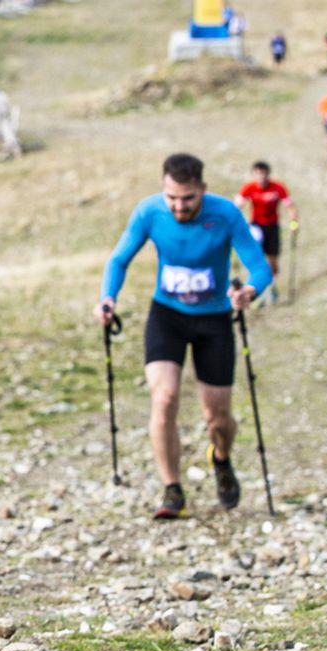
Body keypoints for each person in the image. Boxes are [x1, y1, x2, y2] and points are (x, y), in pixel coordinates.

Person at [94, 154, 271, 520]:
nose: (179, 206)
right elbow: (119, 260)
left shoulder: (225, 214)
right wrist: (108, 299)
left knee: (218, 417)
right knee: (164, 398)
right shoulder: (149, 212)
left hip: (214, 321)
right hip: (167, 317)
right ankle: (172, 489)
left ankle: (221, 458)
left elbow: (260, 267)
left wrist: (249, 292)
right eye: (172, 197)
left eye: (188, 198)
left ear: (202, 189)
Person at [234, 161, 298, 304]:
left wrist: (294, 223)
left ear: (268, 174)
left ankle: (272, 286)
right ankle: (258, 291)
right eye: (257, 173)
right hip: (256, 227)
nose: (260, 176)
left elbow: (290, 206)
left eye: (263, 173)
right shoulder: (249, 188)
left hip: (272, 227)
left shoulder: (278, 188)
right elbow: (236, 206)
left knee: (272, 261)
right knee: (258, 260)